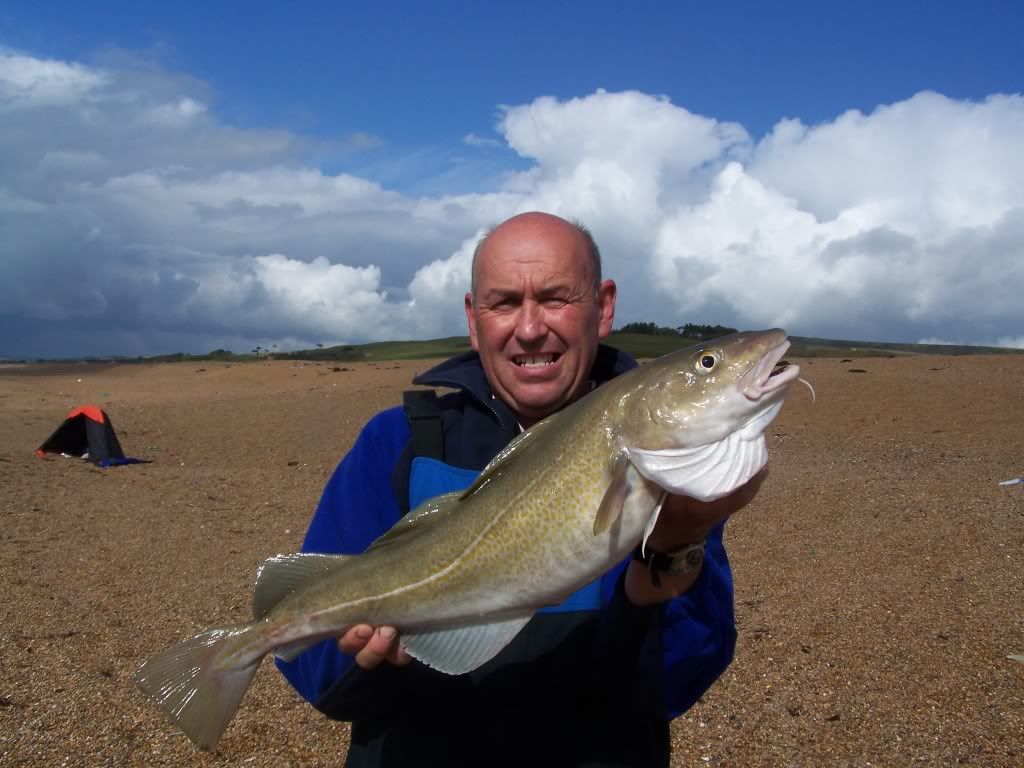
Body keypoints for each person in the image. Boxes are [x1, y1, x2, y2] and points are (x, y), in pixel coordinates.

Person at [277, 212, 762, 767]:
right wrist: (369, 662)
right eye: (504, 303)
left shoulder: (661, 454)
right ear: (472, 317)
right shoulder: (398, 442)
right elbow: (314, 674)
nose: (530, 328)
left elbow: (673, 683)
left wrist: (677, 545)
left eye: (556, 297)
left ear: (603, 307)